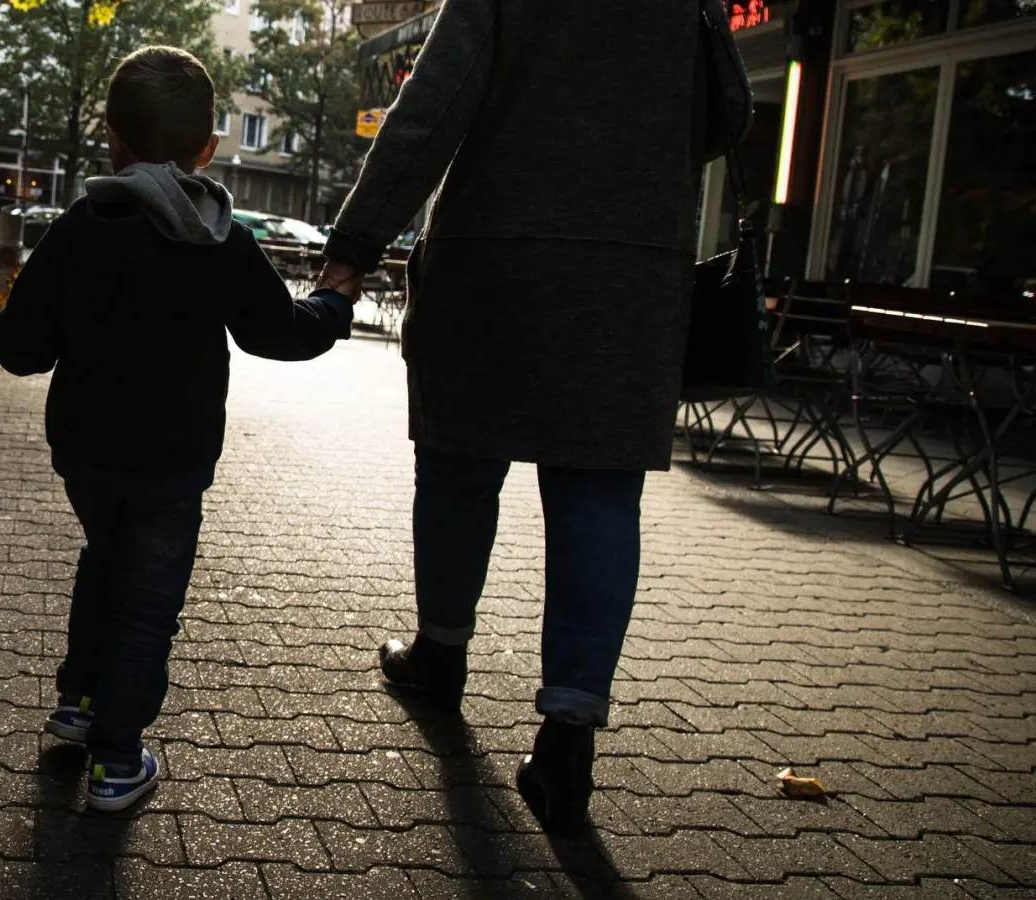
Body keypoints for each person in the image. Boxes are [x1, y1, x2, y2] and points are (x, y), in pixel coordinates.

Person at [317, 1, 742, 837]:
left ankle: (441, 652)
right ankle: (568, 739)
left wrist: (355, 245)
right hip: (633, 275)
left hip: (497, 260)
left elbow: (433, 106)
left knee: (458, 464)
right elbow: (726, 113)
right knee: (600, 494)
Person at [0, 46, 356, 813]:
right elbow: (278, 332)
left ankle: (80, 701)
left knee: (104, 559)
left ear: (110, 139)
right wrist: (332, 304)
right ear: (207, 150)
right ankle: (118, 760)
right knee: (148, 601)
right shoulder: (219, 239)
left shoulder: (78, 229)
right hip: (172, 462)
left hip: (85, 455)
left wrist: (15, 314)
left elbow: (21, 348)